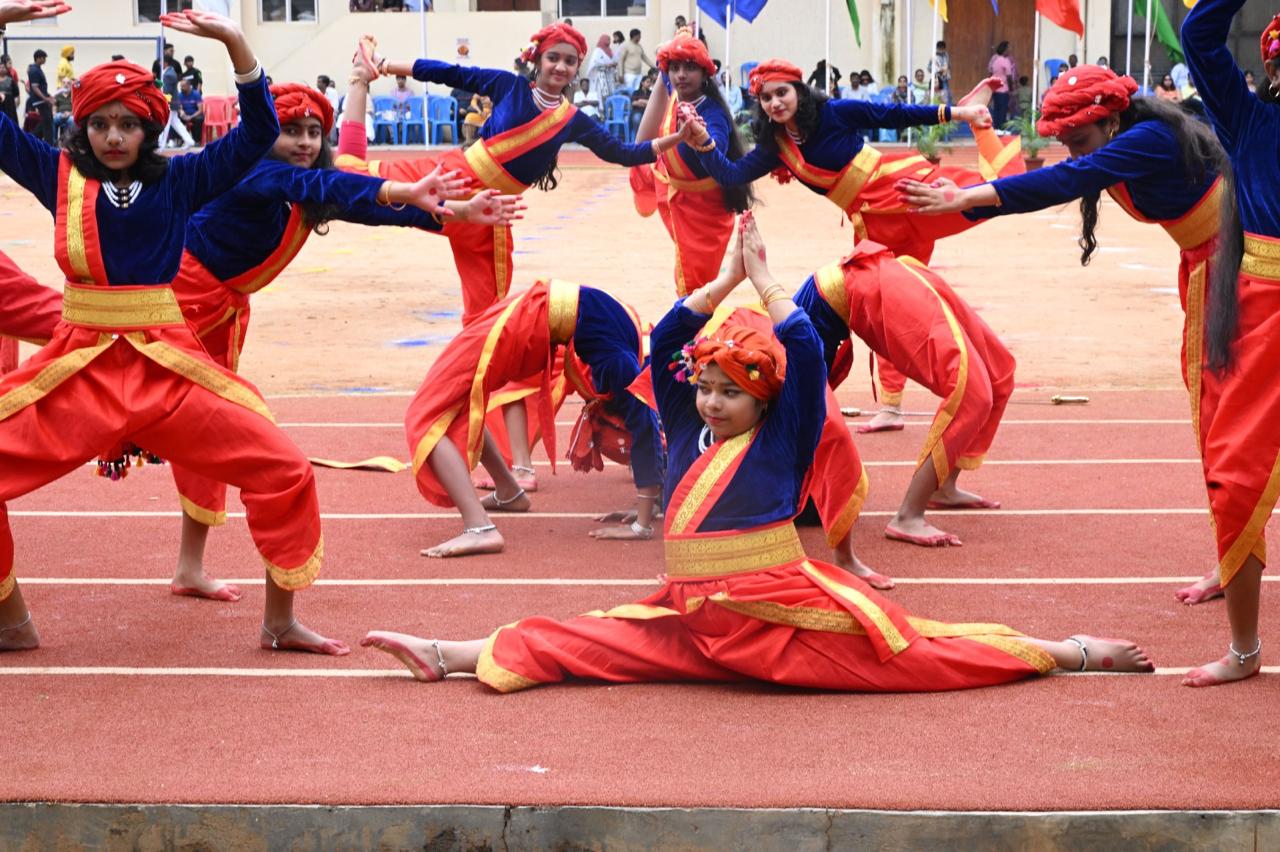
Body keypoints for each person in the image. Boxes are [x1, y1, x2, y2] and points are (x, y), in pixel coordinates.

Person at [362, 215, 1155, 692]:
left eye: (728, 392)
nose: (709, 401)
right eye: (704, 388)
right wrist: (718, 284)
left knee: (917, 653)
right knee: (581, 639)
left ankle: (1069, 651)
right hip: (695, 618)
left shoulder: (784, 434)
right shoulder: (685, 423)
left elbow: (804, 350)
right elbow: (670, 340)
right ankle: (447, 653)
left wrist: (768, 284)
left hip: (782, 619)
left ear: (764, 402)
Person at [0, 3, 344, 657]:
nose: (113, 136)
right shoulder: (58, 175)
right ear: (83, 126)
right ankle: (11, 622)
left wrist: (237, 44)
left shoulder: (183, 178)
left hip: (169, 367)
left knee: (287, 468)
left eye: (129, 124)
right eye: (100, 123)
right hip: (78, 367)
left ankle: (280, 621)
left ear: (151, 129)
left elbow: (256, 133)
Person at [157, 83, 522, 601]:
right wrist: (406, 193)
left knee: (200, 435)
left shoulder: (304, 187)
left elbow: (362, 206)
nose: (305, 142)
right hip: (179, 304)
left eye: (313, 133)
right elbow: (341, 189)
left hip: (217, 312)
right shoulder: (253, 171)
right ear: (263, 134)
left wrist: (456, 214)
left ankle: (189, 568)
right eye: (290, 132)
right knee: (202, 422)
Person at [898, 66, 1235, 618]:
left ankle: (1236, 554)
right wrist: (963, 198)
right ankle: (1236, 551)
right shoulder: (1130, 137)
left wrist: (966, 198)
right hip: (1208, 269)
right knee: (1221, 414)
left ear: (1114, 120)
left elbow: (1058, 182)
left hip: (1239, 273)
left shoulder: (1145, 139)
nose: (1074, 155)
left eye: (1079, 142)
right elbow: (1045, 180)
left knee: (1231, 417)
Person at [686, 62, 1023, 438]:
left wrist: (961, 113)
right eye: (766, 97)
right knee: (886, 306)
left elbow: (895, 115)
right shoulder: (778, 146)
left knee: (1007, 191)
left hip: (908, 192)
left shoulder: (834, 112)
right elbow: (731, 175)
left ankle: (982, 121)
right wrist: (702, 142)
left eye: (782, 92)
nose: (775, 103)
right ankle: (891, 406)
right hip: (874, 225)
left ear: (799, 90)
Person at [339, 26, 692, 326]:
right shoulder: (507, 85)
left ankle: (474, 386)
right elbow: (448, 72)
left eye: (570, 61)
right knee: (350, 175)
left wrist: (675, 139)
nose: (561, 66)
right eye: (554, 57)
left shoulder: (572, 120)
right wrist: (381, 67)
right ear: (537, 59)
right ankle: (359, 76)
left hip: (491, 214)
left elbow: (623, 153)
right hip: (450, 178)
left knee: (485, 315)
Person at [402, 279, 663, 559]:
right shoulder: (622, 372)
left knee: (430, 410)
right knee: (430, 410)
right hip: (531, 316)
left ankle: (481, 527)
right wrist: (642, 522)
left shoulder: (623, 358)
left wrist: (644, 515)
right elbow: (647, 431)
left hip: (534, 312)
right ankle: (508, 492)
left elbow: (648, 433)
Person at [1177, 0, 1280, 686]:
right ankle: (1245, 650)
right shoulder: (1250, 120)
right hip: (1264, 311)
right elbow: (1199, 33)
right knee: (1237, 476)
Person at [629, 29, 754, 296]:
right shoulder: (675, 96)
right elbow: (641, 143)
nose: (681, 75)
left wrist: (702, 138)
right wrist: (664, 78)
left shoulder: (712, 112)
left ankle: (693, 334)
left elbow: (717, 145)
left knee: (695, 289)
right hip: (674, 192)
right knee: (688, 282)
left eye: (690, 68)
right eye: (675, 68)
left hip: (703, 213)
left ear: (705, 74)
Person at [26, 48, 53, 144]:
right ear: (38, 58)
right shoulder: (34, 71)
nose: (45, 60)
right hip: (40, 101)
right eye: (43, 58)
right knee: (47, 122)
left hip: (42, 100)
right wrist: (45, 99)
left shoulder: (37, 69)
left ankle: (31, 138)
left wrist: (48, 96)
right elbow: (35, 87)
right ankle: (49, 144)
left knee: (47, 121)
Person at [988, 42, 1015, 128]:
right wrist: (1011, 89)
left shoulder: (995, 60)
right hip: (1003, 89)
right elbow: (1009, 76)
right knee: (1003, 110)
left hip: (995, 89)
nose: (1009, 50)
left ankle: (996, 127)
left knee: (996, 110)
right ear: (1005, 50)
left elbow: (991, 72)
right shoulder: (1005, 61)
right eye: (1008, 48)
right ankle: (1002, 128)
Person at [586, 34, 616, 102]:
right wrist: (606, 65)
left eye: (609, 40)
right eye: (607, 39)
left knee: (610, 93)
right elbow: (594, 63)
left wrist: (613, 65)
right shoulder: (597, 51)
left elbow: (612, 61)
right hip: (600, 77)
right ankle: (601, 109)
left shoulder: (610, 51)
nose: (609, 41)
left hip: (609, 76)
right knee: (600, 94)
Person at [175, 76, 204, 142]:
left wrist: (190, 117)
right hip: (185, 114)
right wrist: (181, 111)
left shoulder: (196, 94)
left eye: (183, 86)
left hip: (195, 114)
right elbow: (179, 107)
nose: (181, 88)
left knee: (199, 119)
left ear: (188, 86)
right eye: (181, 86)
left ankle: (197, 141)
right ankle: (180, 140)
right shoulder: (179, 95)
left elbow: (200, 110)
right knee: (176, 119)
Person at [0, 54, 18, 127]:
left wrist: (16, 102)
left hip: (9, 105)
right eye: (0, 67)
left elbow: (16, 93)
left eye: (3, 67)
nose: (2, 69)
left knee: (10, 121)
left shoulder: (11, 80)